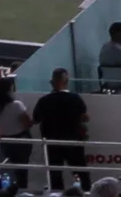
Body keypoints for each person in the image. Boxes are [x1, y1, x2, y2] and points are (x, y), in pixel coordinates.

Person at [32, 65, 90, 193]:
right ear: (67, 82)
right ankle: (86, 193)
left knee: (55, 174)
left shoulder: (44, 100)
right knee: (81, 171)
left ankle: (57, 194)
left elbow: (35, 119)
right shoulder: (75, 98)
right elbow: (85, 117)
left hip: (52, 142)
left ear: (51, 82)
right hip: (73, 140)